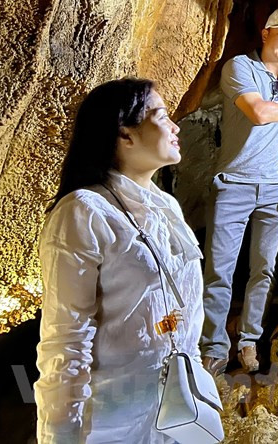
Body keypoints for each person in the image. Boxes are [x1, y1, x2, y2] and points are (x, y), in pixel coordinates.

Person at [35, 78, 205, 443]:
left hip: (176, 408)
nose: (175, 127)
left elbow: (184, 307)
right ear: (125, 134)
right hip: (115, 419)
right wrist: (60, 433)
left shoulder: (166, 206)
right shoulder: (84, 212)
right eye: (162, 116)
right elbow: (66, 338)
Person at [200, 8, 278, 375]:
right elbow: (260, 113)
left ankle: (248, 341)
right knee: (220, 270)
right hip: (233, 183)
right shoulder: (239, 67)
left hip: (272, 188)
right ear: (265, 33)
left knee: (264, 269)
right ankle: (214, 347)